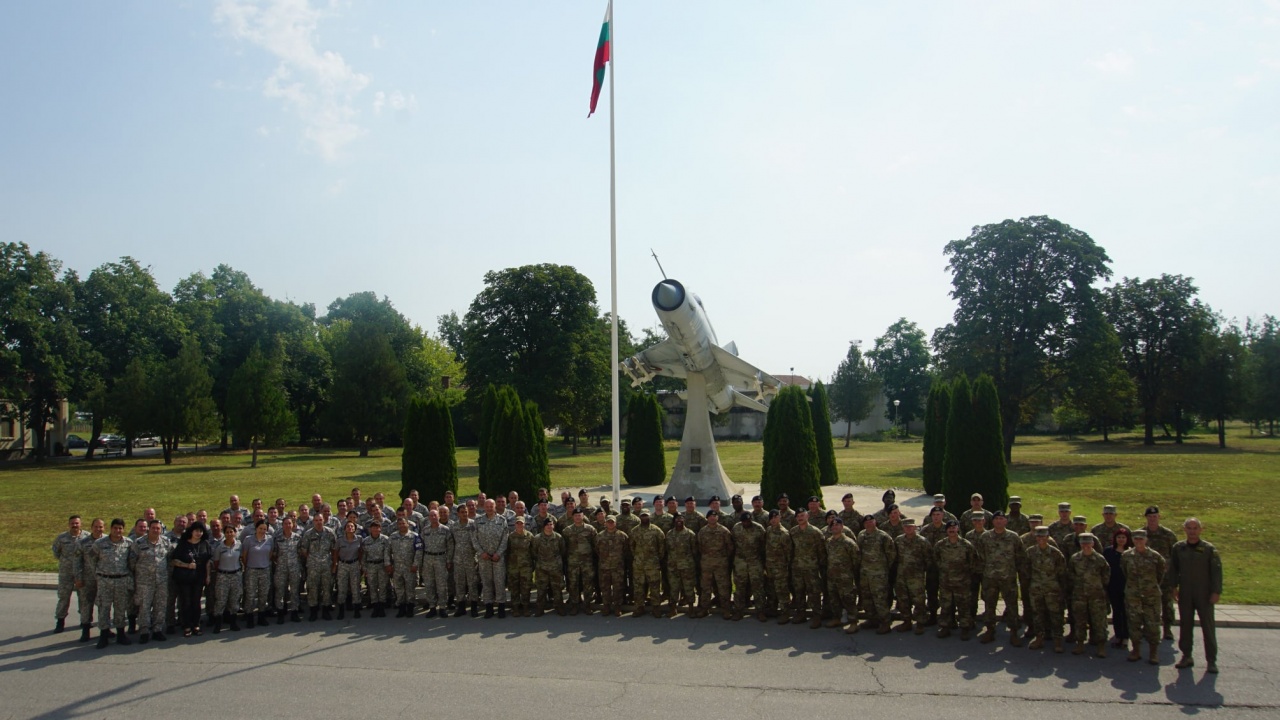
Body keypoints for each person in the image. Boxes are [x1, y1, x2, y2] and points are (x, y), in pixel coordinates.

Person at [1170, 517, 1223, 673]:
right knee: (1185, 625)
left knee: (1208, 627)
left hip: (1204, 593)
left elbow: (1216, 572)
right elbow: (1173, 569)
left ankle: (1211, 660)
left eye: (1195, 528)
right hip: (1185, 592)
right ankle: (1186, 656)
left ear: (1201, 530)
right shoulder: (1178, 548)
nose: (1192, 531)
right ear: (1184, 529)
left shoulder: (1209, 549)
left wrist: (1216, 591)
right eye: (1189, 528)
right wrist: (1173, 587)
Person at [1122, 529, 1166, 665]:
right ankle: (1136, 650)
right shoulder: (1127, 556)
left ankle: (1153, 653)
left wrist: (1150, 587)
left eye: (1141, 539)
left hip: (1151, 596)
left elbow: (1160, 574)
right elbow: (1125, 572)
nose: (1138, 541)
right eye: (1136, 539)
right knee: (1134, 623)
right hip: (1133, 595)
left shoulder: (1155, 556)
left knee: (1152, 624)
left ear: (1146, 540)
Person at [90, 519, 134, 648]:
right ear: (111, 528)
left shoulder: (129, 543)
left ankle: (121, 633)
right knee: (104, 608)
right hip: (105, 580)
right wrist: (98, 575)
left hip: (121, 580)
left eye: (120, 528)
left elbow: (131, 562)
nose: (117, 531)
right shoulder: (99, 543)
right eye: (115, 528)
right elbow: (92, 560)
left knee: (120, 608)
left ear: (123, 529)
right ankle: (103, 635)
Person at [1069, 534, 1110, 657]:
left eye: (1088, 543)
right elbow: (1071, 575)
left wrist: (1097, 586)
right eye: (1083, 543)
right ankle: (1080, 643)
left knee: (1099, 621)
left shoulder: (1099, 559)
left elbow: (1106, 576)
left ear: (1093, 544)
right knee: (1080, 620)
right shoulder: (1075, 558)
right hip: (1079, 595)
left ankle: (1101, 646)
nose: (1086, 546)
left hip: (1096, 595)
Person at [170, 521, 211, 637]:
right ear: (191, 531)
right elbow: (173, 561)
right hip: (184, 578)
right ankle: (187, 625)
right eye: (197, 531)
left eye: (201, 531)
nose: (199, 533)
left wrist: (208, 576)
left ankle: (196, 625)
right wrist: (186, 565)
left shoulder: (205, 544)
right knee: (186, 602)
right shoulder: (183, 544)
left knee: (196, 602)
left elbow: (207, 561)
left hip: (199, 577)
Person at [52, 515, 85, 634]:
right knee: (64, 597)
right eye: (72, 523)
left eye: (77, 523)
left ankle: (85, 620)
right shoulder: (62, 538)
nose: (75, 525)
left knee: (83, 598)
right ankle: (60, 621)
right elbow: (56, 552)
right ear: (69, 524)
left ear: (80, 524)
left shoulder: (86, 537)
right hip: (66, 573)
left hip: (81, 573)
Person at [1103, 527, 1133, 649]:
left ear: (1127, 539)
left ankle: (1126, 637)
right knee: (1116, 611)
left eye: (1124, 537)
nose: (1121, 540)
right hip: (1113, 585)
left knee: (1126, 612)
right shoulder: (1108, 551)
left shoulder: (1131, 552)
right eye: (1119, 537)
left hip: (1127, 586)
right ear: (1115, 539)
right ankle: (1118, 635)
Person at [211, 525, 244, 633]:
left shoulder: (239, 545)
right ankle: (218, 624)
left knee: (234, 600)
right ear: (224, 534)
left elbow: (242, 558)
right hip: (223, 576)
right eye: (227, 532)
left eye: (231, 532)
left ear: (235, 533)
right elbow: (216, 563)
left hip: (236, 575)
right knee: (221, 600)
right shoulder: (220, 547)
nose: (229, 534)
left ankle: (233, 623)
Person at [242, 520, 274, 626]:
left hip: (265, 570)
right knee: (250, 595)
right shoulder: (248, 540)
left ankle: (261, 616)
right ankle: (250, 617)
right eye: (260, 528)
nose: (262, 531)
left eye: (265, 529)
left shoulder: (269, 539)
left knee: (263, 595)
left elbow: (270, 554)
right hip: (252, 570)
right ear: (256, 528)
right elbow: (244, 556)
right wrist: (249, 566)